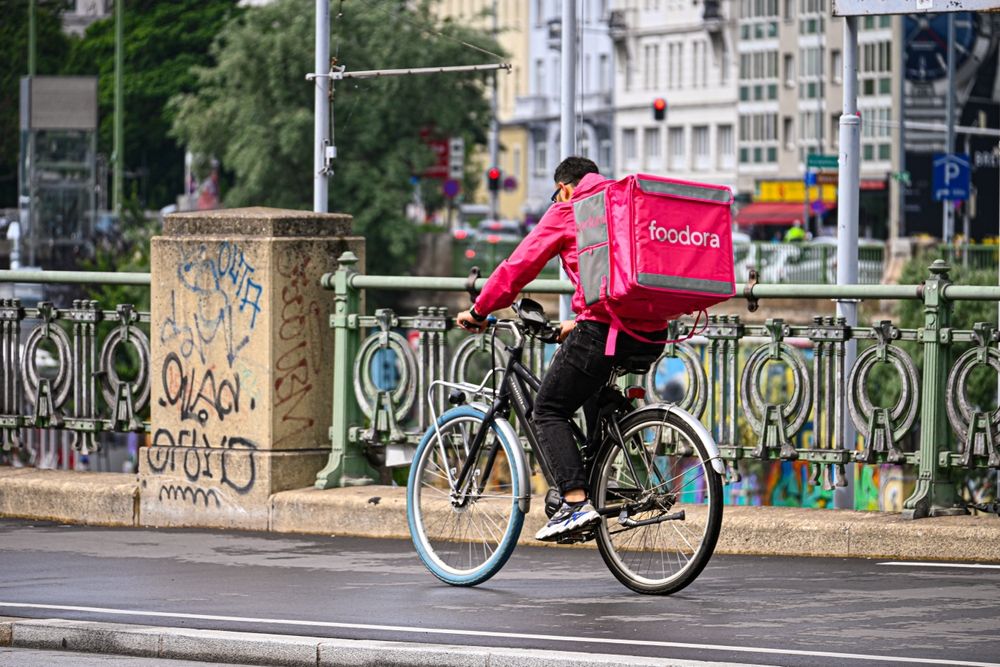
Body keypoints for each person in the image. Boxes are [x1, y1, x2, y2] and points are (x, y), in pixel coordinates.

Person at [456, 157, 670, 542]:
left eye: (558, 192)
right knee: (590, 388)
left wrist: (479, 309)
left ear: (566, 187)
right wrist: (581, 317)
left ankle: (574, 501)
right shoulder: (624, 205)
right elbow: (618, 276)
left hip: (604, 332)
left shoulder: (570, 209)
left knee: (547, 409)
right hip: (651, 332)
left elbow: (517, 267)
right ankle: (601, 481)